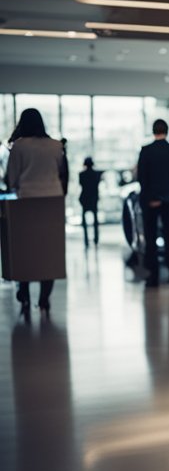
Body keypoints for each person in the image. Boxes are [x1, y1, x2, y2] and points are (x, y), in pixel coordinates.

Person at [5, 108, 68, 317]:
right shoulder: (56, 145)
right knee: (49, 251)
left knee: (26, 251)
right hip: (53, 201)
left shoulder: (19, 146)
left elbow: (11, 179)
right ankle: (44, 298)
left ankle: (24, 293)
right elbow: (62, 175)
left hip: (27, 201)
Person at [136, 119, 169, 289]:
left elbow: (142, 177)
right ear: (167, 131)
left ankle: (153, 278)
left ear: (153, 131)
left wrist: (152, 198)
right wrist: (164, 196)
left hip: (150, 202)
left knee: (151, 240)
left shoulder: (146, 151)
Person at [79, 156, 102, 248]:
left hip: (85, 198)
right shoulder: (96, 174)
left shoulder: (81, 174)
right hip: (93, 198)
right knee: (95, 220)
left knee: (84, 221)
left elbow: (81, 184)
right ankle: (96, 239)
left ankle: (86, 240)